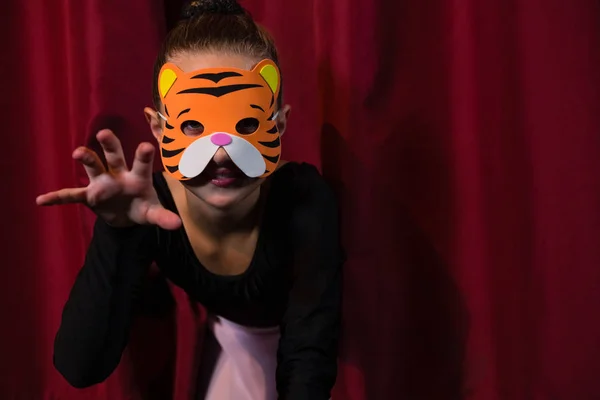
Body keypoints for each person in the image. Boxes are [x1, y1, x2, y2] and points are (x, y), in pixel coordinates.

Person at [35, 1, 343, 399]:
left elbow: (310, 355)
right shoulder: (148, 206)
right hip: (235, 346)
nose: (219, 154)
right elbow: (81, 366)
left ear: (279, 124)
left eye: (246, 125)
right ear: (158, 129)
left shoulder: (302, 200)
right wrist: (118, 231)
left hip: (320, 341)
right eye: (194, 125)